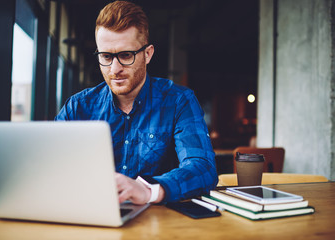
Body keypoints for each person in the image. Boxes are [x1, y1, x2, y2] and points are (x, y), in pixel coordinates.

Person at [55, 0, 218, 205]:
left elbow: (203, 168)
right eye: (106, 56)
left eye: (125, 55)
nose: (115, 69)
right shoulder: (77, 107)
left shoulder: (178, 101)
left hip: (159, 225)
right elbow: (49, 166)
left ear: (147, 54)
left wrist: (148, 190)